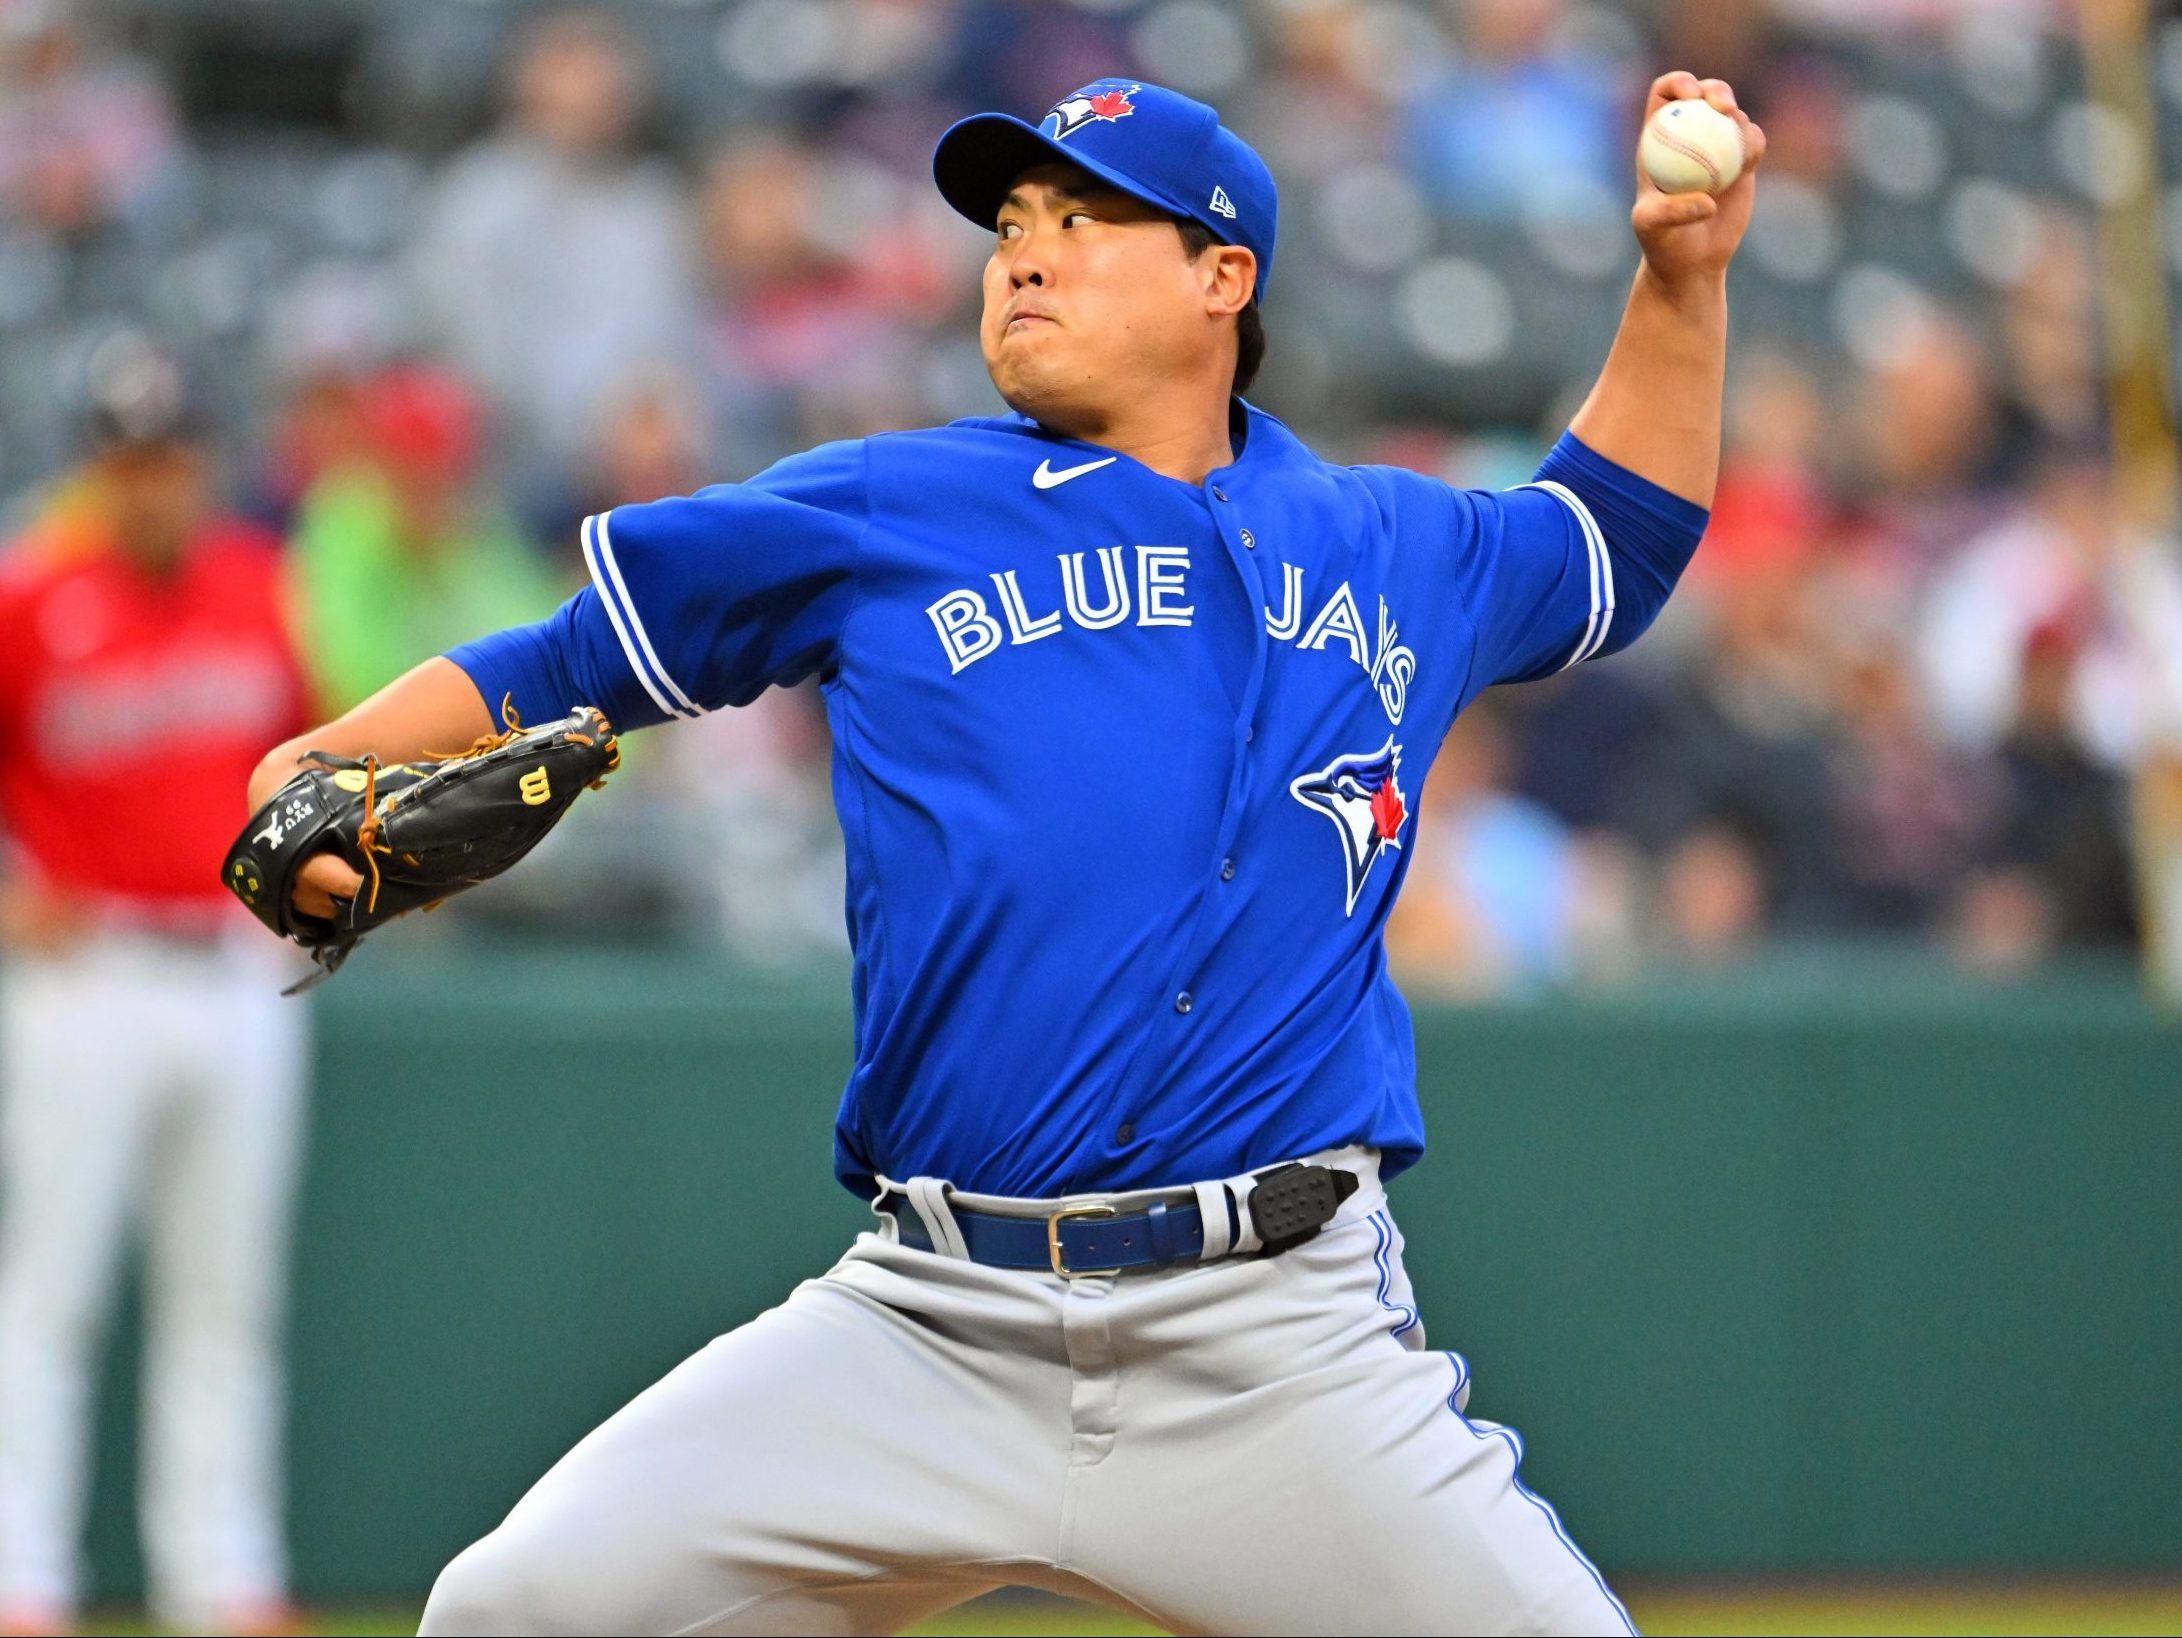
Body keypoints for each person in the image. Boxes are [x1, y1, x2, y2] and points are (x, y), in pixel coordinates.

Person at [250, 72, 1764, 1636]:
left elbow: (1611, 536)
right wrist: (314, 762)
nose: (1025, 254)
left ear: (1220, 277)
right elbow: (570, 656)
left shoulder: (1390, 544)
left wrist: (1677, 278)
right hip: (931, 1320)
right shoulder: (891, 505)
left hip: (1275, 1344)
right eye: (1011, 226)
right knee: (518, 1609)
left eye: (1086, 218)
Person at [0, 338, 311, 1636]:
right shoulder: (33, 593)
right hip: (87, 974)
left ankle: (222, 1580)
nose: (153, 483)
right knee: (53, 1291)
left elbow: (308, 752)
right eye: (130, 459)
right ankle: (25, 1580)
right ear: (94, 468)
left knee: (227, 1298)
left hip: (235, 969)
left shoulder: (254, 585)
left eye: (173, 457)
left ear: (207, 464)